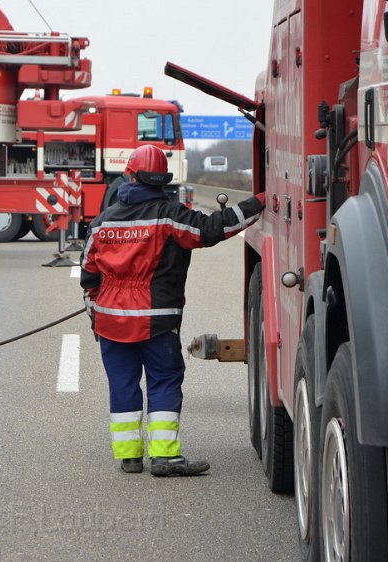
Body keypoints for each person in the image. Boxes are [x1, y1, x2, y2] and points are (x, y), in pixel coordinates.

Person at [80, 144, 265, 476]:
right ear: (162, 180)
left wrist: (97, 315)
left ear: (130, 175)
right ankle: (165, 457)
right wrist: (260, 203)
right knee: (163, 380)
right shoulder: (170, 215)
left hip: (111, 320)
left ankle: (130, 457)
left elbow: (88, 276)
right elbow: (213, 229)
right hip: (156, 320)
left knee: (123, 384)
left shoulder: (101, 223)